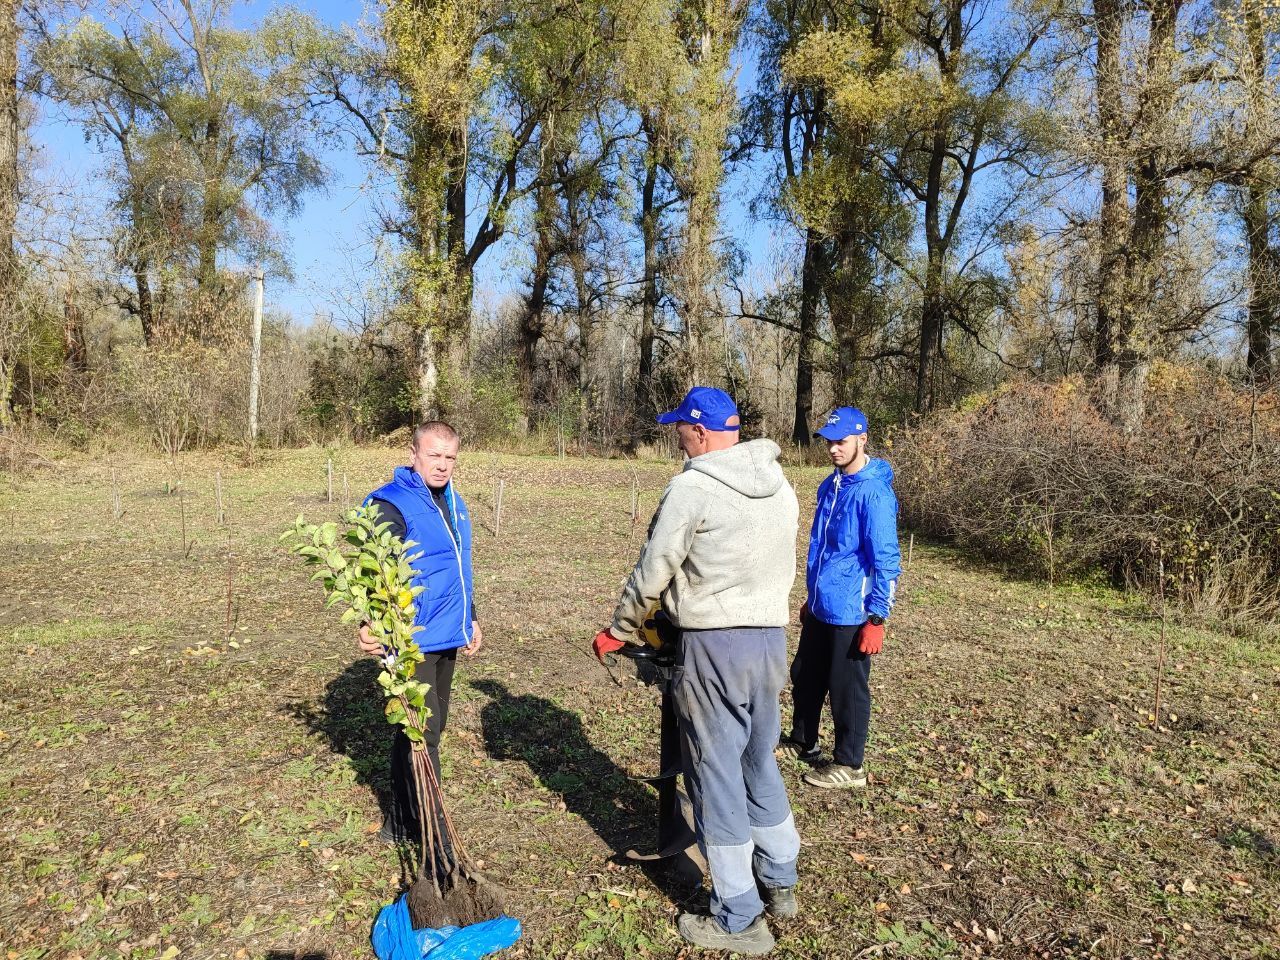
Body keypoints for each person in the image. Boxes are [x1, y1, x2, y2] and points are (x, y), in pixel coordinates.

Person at [593, 387, 801, 956]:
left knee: (713, 774)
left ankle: (738, 917)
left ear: (700, 432)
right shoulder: (780, 485)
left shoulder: (692, 487)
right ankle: (780, 878)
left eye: (680, 428)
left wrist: (620, 628)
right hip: (770, 641)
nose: (676, 437)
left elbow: (654, 565)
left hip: (714, 647)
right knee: (758, 759)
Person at [357, 421, 483, 846]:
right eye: (434, 455)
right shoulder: (390, 504)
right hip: (409, 639)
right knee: (422, 733)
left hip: (447, 633)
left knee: (426, 727)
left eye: (450, 457)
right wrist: (370, 624)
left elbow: (458, 566)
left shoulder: (453, 501)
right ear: (414, 454)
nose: (443, 465)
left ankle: (399, 820)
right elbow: (374, 573)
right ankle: (434, 832)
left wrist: (472, 617)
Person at [777, 407, 901, 790]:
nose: (832, 448)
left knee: (847, 688)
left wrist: (877, 618)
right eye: (829, 441)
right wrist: (811, 597)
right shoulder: (829, 485)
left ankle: (851, 764)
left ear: (862, 439)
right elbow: (825, 549)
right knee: (806, 676)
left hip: (852, 610)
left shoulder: (873, 493)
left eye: (841, 441)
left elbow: (886, 560)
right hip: (821, 605)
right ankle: (803, 741)